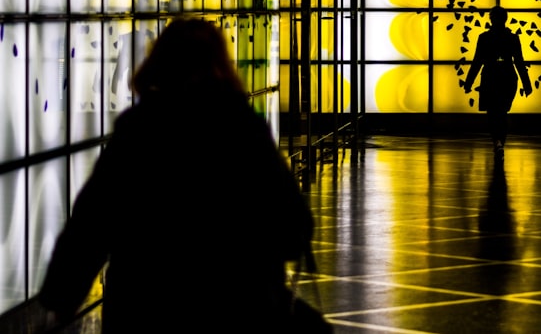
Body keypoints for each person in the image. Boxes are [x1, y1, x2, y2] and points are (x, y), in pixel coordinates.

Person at [36, 18, 327, 333]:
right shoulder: (244, 130)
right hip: (234, 306)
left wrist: (60, 300)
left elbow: (91, 223)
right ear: (220, 65)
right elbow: (291, 226)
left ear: (159, 64)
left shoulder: (138, 130)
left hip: (144, 306)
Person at [463, 6, 532, 154]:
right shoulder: (512, 38)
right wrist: (527, 84)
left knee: (493, 113)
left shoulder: (484, 38)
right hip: (507, 77)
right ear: (505, 19)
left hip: (490, 77)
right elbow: (519, 62)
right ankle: (500, 142)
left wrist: (469, 82)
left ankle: (497, 141)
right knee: (502, 112)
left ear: (491, 19)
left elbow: (477, 61)